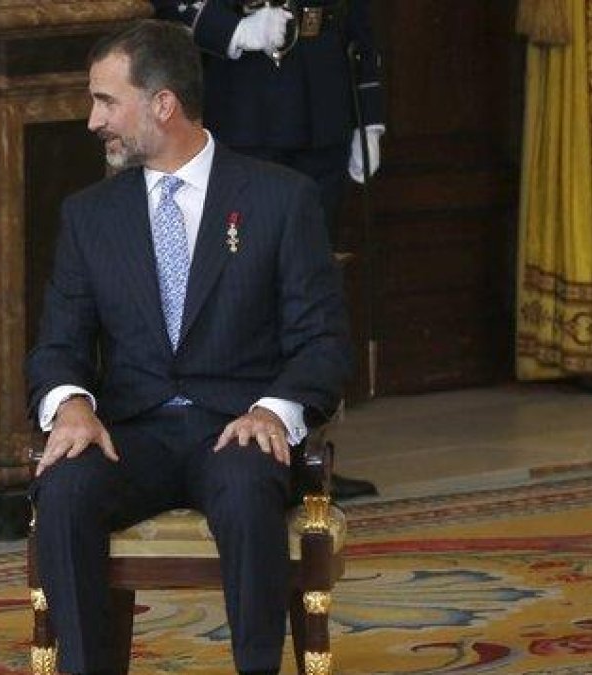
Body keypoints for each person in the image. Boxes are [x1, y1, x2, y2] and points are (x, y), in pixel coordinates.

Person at [26, 20, 349, 675]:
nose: (93, 121)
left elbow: (323, 343)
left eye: (106, 101)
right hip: (132, 433)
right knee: (64, 485)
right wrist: (71, 406)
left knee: (246, 480)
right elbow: (57, 345)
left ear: (163, 104)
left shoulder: (279, 200)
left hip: (234, 426)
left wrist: (273, 412)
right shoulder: (90, 216)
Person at [153, 0, 383, 500]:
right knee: (244, 289)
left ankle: (309, 448)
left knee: (313, 291)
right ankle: (244, 444)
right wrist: (231, 29)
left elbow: (358, 17)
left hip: (323, 101)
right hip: (247, 104)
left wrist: (370, 108)